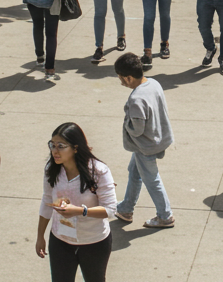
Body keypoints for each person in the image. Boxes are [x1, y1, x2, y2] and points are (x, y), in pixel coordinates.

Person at [35, 123, 117, 282]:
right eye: (52, 145)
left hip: (94, 242)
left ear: (75, 148)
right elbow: (47, 200)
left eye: (61, 146)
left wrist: (80, 211)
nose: (54, 151)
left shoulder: (99, 171)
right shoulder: (52, 169)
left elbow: (110, 210)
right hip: (60, 240)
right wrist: (40, 236)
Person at [110, 53, 176, 229]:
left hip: (145, 146)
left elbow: (137, 129)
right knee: (134, 171)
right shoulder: (154, 83)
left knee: (152, 180)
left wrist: (126, 124)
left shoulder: (136, 99)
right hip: (156, 139)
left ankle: (165, 216)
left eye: (121, 78)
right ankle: (126, 209)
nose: (121, 82)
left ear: (129, 77)